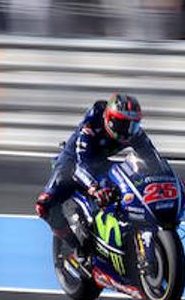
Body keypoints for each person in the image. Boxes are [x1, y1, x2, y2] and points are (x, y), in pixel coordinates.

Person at [35, 93, 157, 271]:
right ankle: (77, 248)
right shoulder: (91, 127)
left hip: (103, 163)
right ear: (109, 119)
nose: (128, 130)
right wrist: (93, 188)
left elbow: (153, 159)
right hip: (73, 163)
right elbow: (81, 165)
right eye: (122, 124)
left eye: (133, 124)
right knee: (44, 205)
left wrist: (168, 180)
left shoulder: (133, 132)